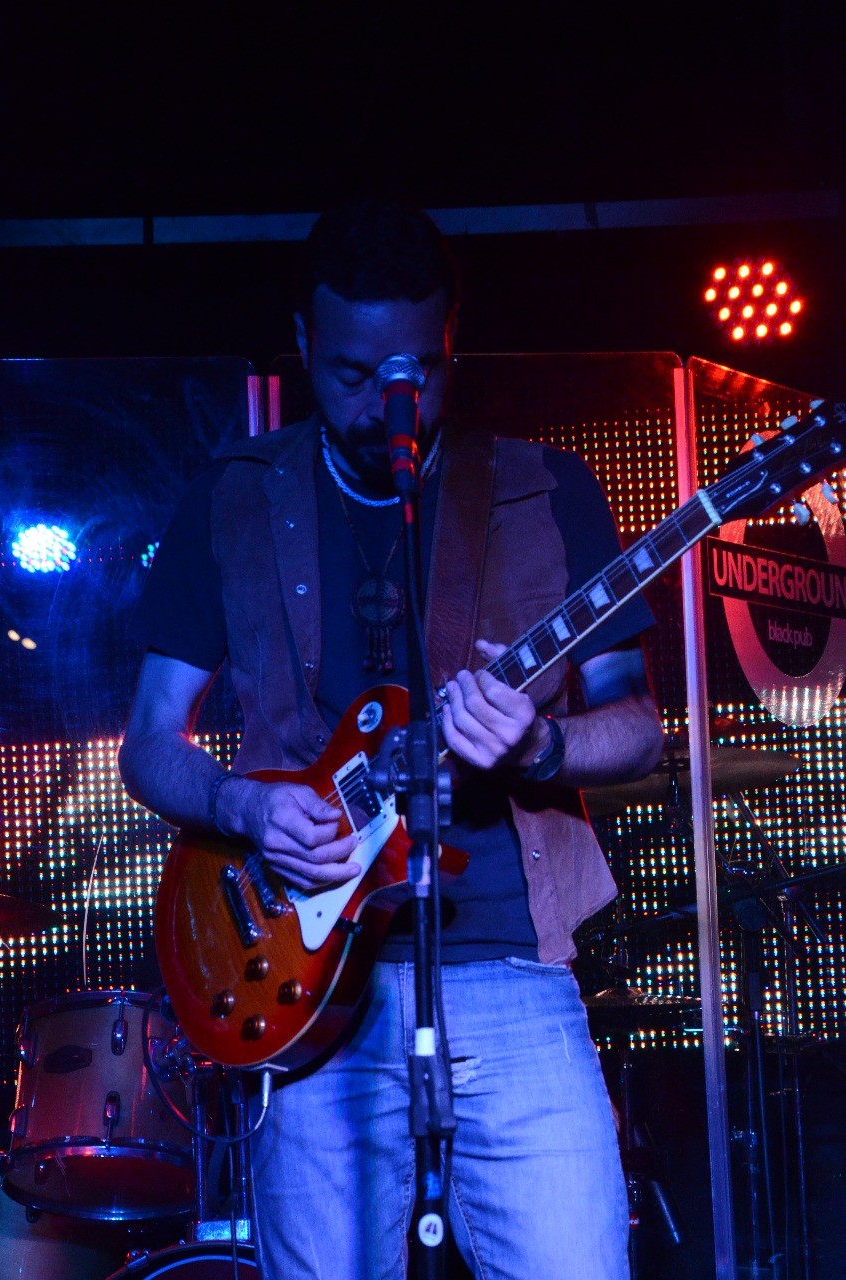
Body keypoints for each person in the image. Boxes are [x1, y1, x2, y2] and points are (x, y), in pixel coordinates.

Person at [118, 195, 665, 1280]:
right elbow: (148, 742)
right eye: (352, 376)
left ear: (451, 339)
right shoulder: (231, 500)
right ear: (303, 342)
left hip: (509, 966)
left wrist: (542, 748)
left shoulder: (545, 490)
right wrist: (243, 804)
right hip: (307, 985)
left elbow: (638, 728)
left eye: (414, 372)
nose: (385, 406)